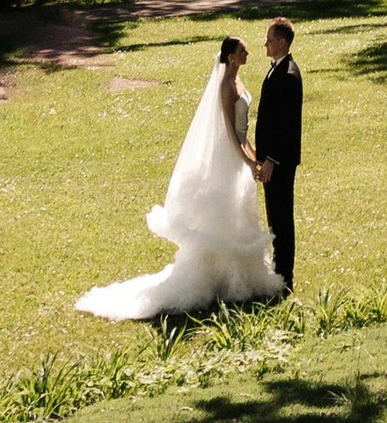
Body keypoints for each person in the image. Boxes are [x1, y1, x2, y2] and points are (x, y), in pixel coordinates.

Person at [76, 35, 284, 319]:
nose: (248, 52)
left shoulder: (239, 82)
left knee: (241, 213)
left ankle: (243, 277)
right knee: (224, 216)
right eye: (242, 49)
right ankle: (220, 279)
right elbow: (227, 130)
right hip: (227, 157)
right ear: (232, 57)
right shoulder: (225, 86)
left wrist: (254, 154)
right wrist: (246, 159)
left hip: (240, 155)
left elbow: (242, 128)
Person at [254, 19, 302, 286]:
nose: (266, 44)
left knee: (282, 216)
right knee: (274, 215)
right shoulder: (277, 70)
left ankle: (285, 275)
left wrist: (271, 159)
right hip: (271, 158)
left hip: (280, 161)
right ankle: (278, 268)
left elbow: (286, 124)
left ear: (282, 42)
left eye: (270, 40)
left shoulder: (288, 75)